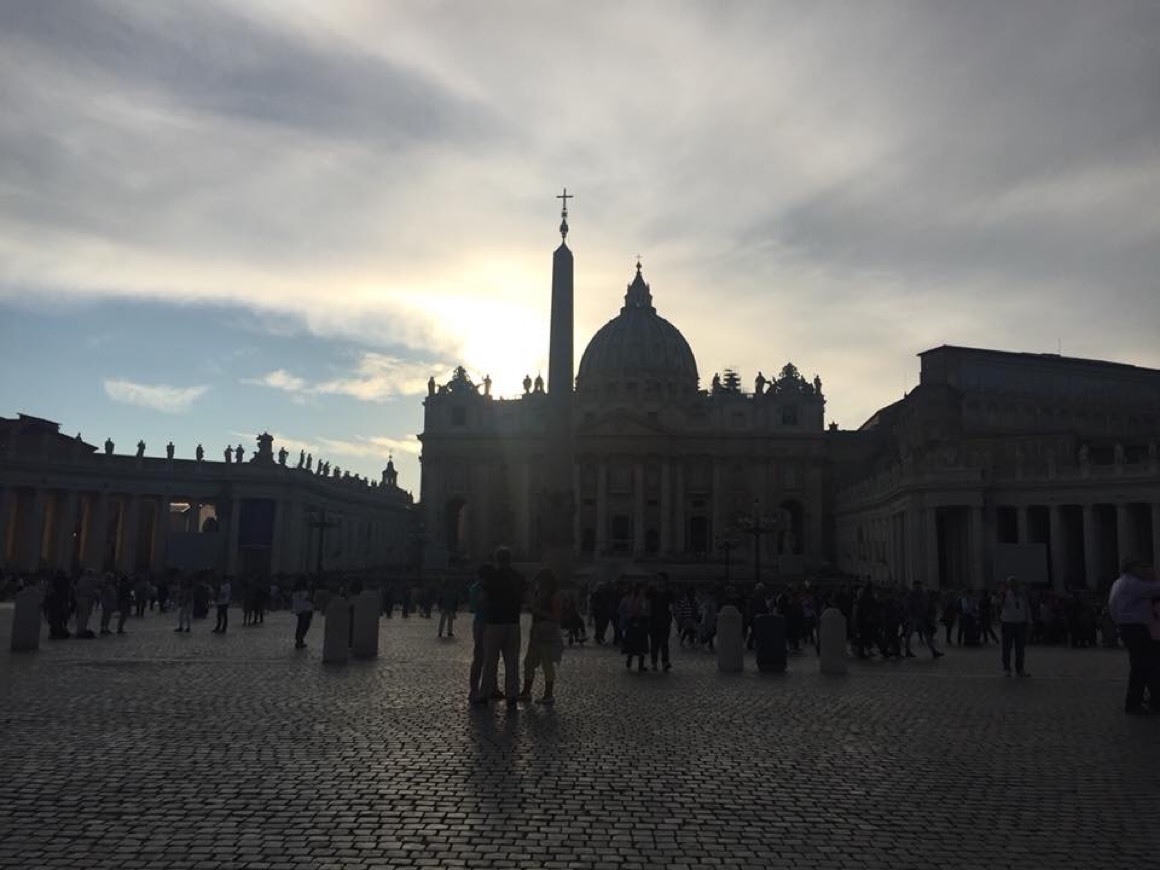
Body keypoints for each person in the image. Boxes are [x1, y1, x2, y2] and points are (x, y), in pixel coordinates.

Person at [1107, 559, 1159, 714]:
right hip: (1136, 627)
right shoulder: (1132, 583)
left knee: (1140, 665)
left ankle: (1141, 700)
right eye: (1141, 568)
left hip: (1127, 627)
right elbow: (1155, 589)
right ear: (1133, 569)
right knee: (1142, 666)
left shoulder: (1119, 583)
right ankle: (1134, 702)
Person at [476, 547, 526, 708]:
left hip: (495, 622)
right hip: (513, 622)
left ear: (497, 560)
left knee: (490, 660)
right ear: (510, 559)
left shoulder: (492, 577)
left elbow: (483, 599)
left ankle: (484, 694)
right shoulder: (518, 576)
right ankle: (512, 695)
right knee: (512, 662)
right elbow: (525, 596)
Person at [518, 569, 563, 704]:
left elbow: (557, 617)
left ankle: (548, 694)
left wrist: (537, 611)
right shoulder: (540, 593)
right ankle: (526, 691)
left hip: (547, 633)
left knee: (547, 664)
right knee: (529, 662)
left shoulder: (555, 596)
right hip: (537, 632)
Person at [998, 577, 1032, 676]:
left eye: (1015, 584)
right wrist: (1002, 595)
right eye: (1011, 585)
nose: (1014, 586)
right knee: (1007, 648)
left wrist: (1029, 621)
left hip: (1020, 624)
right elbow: (998, 604)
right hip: (1007, 623)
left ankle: (1020, 669)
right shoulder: (1005, 595)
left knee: (1020, 648)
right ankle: (1007, 668)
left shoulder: (1022, 596)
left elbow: (1027, 608)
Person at [468, 565, 491, 702]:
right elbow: (477, 605)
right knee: (483, 656)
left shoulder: (473, 588)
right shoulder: (480, 588)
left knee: (482, 656)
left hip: (479, 622)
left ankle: (477, 689)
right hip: (485, 623)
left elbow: (472, 608)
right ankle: (477, 689)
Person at [623, 583, 651, 672]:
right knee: (637, 644)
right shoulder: (635, 599)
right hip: (636, 621)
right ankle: (632, 662)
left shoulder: (644, 599)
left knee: (639, 644)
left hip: (640, 622)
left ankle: (638, 663)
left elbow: (648, 611)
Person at [647, 578, 674, 672]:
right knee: (654, 643)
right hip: (654, 621)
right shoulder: (651, 593)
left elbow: (672, 604)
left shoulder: (668, 593)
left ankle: (665, 662)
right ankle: (654, 662)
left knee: (664, 643)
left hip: (665, 621)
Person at [73, 570, 98, 639]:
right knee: (84, 616)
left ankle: (79, 629)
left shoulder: (81, 580)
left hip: (80, 598)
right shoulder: (90, 580)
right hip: (86, 598)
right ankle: (81, 630)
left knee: (81, 615)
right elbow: (96, 586)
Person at [291, 578, 313, 649]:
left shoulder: (295, 591)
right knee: (304, 626)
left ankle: (299, 639)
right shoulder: (304, 591)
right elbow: (309, 598)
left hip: (299, 610)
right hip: (306, 610)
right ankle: (300, 639)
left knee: (300, 625)